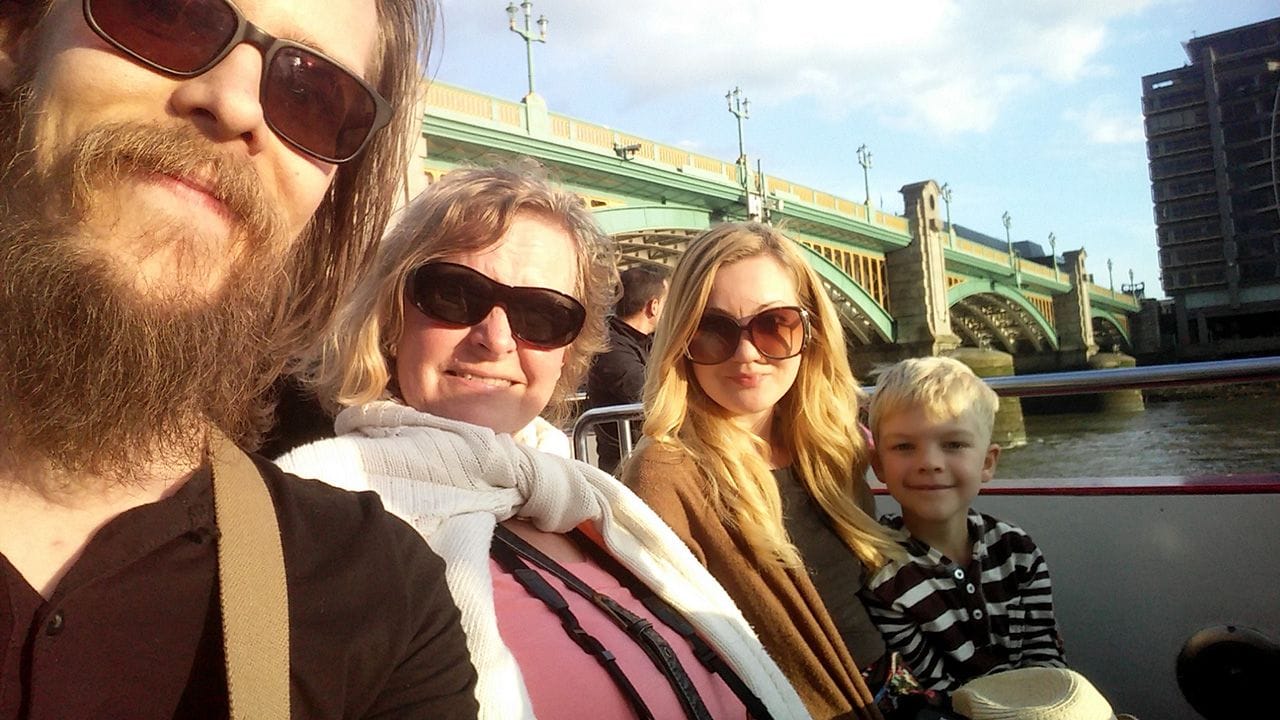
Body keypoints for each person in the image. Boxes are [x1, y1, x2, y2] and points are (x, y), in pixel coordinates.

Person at [0, 0, 478, 717]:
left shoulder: (384, 598)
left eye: (314, 94)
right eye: (168, 14)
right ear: (18, 33)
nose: (234, 103)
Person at [277, 165, 808, 720]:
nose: (496, 339)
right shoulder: (320, 524)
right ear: (392, 316)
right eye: (454, 294)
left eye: (542, 314)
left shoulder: (583, 501)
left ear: (569, 351)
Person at [622, 221, 905, 720]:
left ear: (810, 333)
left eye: (775, 324)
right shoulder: (665, 475)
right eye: (713, 329)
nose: (747, 353)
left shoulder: (829, 446)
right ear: (681, 338)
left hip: (892, 690)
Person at [859, 356, 1066, 691]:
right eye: (904, 446)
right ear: (878, 465)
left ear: (987, 463)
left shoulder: (1019, 551)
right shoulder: (884, 578)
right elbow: (931, 689)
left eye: (953, 444)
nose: (930, 462)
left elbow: (1044, 653)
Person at [587, 263, 671, 473]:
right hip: (626, 468)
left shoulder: (646, 342)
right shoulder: (611, 348)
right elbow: (646, 392)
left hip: (646, 458)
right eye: (668, 303)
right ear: (653, 306)